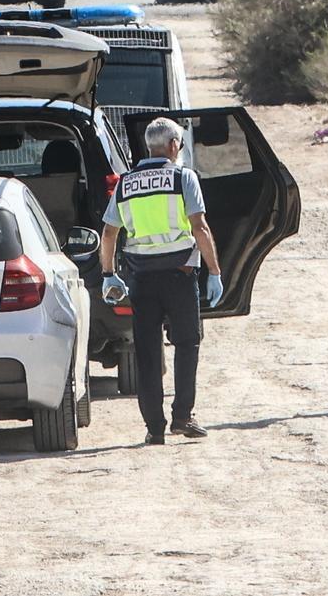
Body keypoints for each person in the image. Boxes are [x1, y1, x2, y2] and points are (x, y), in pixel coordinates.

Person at [99, 117, 224, 445]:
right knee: (186, 344)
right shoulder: (183, 177)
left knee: (147, 352)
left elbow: (109, 232)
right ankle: (182, 417)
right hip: (180, 275)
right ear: (172, 146)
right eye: (180, 144)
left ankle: (154, 427)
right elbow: (200, 227)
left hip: (141, 279)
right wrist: (214, 271)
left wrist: (108, 274)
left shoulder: (126, 183)